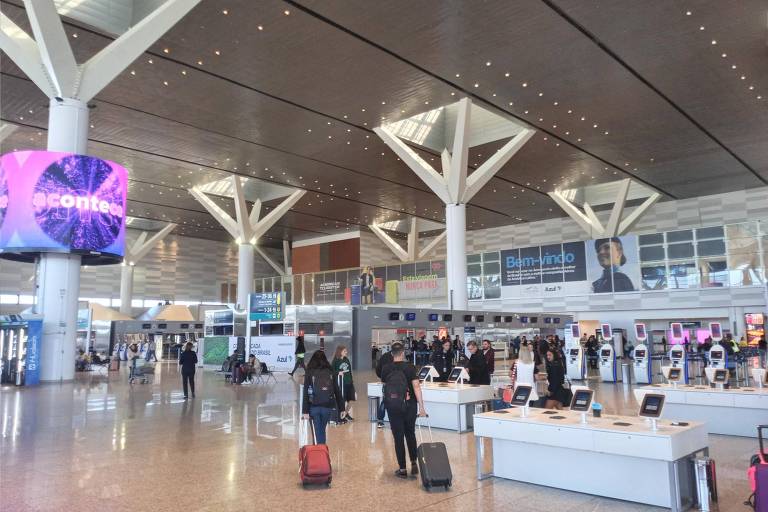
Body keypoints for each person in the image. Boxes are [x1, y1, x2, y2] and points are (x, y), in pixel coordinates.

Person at [380, 342, 427, 479]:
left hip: (393, 406)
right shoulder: (410, 367)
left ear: (391, 354)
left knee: (398, 437)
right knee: (410, 433)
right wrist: (422, 407)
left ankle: (402, 468)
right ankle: (413, 462)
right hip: (410, 405)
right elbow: (417, 387)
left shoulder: (386, 368)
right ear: (402, 353)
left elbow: (385, 389)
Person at [302, 351, 344, 444]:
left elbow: (306, 392)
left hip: (314, 406)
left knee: (317, 431)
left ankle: (319, 452)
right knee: (322, 429)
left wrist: (305, 411)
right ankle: (322, 450)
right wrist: (342, 408)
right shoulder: (330, 371)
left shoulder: (309, 372)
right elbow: (337, 390)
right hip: (327, 406)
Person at [332, 345, 356, 421]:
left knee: (352, 399)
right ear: (340, 352)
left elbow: (349, 371)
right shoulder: (335, 361)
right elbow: (331, 371)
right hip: (341, 384)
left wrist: (352, 380)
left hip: (349, 382)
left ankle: (345, 413)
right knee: (342, 400)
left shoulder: (346, 359)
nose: (346, 352)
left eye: (346, 351)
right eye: (344, 351)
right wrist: (338, 372)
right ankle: (342, 415)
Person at [375, 344, 395, 428]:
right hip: (390, 383)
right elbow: (379, 369)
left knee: (385, 400)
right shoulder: (391, 357)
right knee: (388, 401)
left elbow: (378, 369)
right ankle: (383, 420)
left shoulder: (384, 356)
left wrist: (382, 378)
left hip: (387, 382)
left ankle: (380, 420)